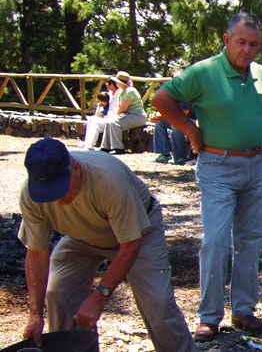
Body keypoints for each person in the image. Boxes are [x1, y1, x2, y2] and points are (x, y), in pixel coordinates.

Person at [150, 12, 262, 341]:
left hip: (255, 166)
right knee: (216, 241)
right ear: (227, 40)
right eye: (241, 42)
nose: (247, 50)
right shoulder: (204, 72)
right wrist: (191, 131)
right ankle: (209, 316)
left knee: (250, 241)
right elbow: (161, 99)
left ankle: (243, 310)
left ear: (259, 46)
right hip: (218, 166)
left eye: (253, 44)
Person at [18, 138, 193, 352]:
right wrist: (35, 315)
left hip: (139, 232)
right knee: (59, 293)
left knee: (157, 303)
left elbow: (130, 245)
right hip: (81, 237)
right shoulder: (30, 195)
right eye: (49, 191)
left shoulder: (108, 180)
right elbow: (36, 253)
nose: (56, 198)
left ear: (76, 168)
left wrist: (100, 296)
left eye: (61, 187)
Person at [98, 71, 148, 153]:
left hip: (137, 116)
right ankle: (105, 147)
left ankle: (118, 148)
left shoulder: (130, 91)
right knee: (108, 122)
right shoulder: (122, 91)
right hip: (129, 115)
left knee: (114, 123)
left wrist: (115, 114)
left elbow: (123, 108)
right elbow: (119, 106)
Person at [81, 80, 119, 150]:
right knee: (91, 119)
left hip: (114, 117)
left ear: (112, 85)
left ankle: (89, 146)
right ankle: (87, 142)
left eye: (107, 84)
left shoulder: (119, 93)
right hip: (107, 116)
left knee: (95, 123)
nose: (106, 86)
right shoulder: (110, 93)